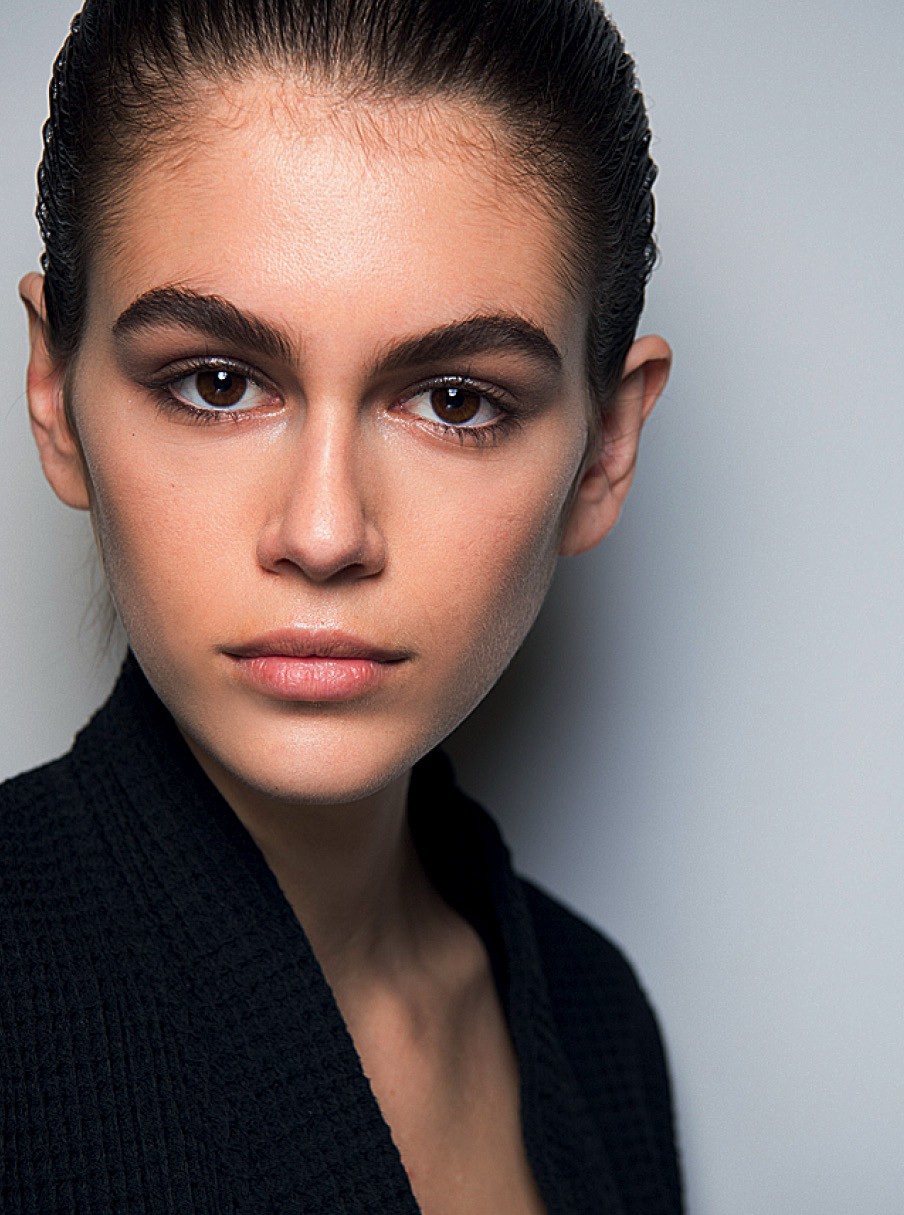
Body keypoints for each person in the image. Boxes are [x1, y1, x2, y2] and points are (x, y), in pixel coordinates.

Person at [2, 1, 679, 1211]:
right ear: (55, 396)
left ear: (606, 450)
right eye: (216, 384)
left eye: (457, 401)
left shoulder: (598, 1021)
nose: (323, 534)